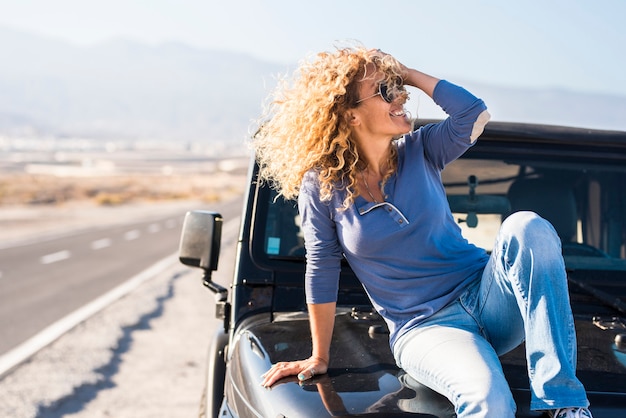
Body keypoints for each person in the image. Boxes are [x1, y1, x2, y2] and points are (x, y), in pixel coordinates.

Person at [254, 45, 592, 418]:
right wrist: (320, 356)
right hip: (425, 328)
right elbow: (321, 267)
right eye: (386, 91)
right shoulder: (322, 187)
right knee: (488, 401)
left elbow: (474, 114)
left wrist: (408, 72)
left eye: (398, 86)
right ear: (350, 115)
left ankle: (564, 403)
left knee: (526, 226)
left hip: (488, 296)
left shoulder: (421, 149)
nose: (401, 97)